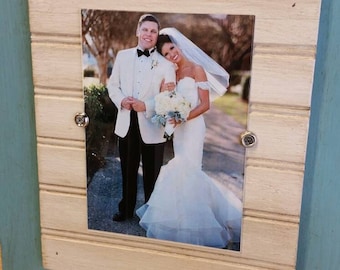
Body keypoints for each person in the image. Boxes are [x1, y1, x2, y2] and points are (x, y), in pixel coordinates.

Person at [136, 28, 242, 248]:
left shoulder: (197, 69)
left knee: (189, 169)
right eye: (166, 54)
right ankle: (180, 220)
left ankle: (197, 223)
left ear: (178, 45)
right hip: (179, 129)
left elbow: (205, 104)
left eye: (172, 49)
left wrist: (184, 117)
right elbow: (166, 98)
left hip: (193, 128)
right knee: (182, 169)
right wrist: (166, 100)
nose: (171, 55)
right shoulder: (171, 73)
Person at [107, 15, 176, 222]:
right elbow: (113, 85)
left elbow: (169, 98)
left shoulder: (166, 65)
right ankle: (126, 210)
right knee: (127, 170)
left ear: (157, 35)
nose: (148, 34)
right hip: (127, 122)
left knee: (152, 174)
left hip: (152, 125)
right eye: (145, 30)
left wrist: (146, 105)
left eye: (153, 31)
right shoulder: (122, 56)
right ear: (138, 31)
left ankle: (151, 215)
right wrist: (121, 100)